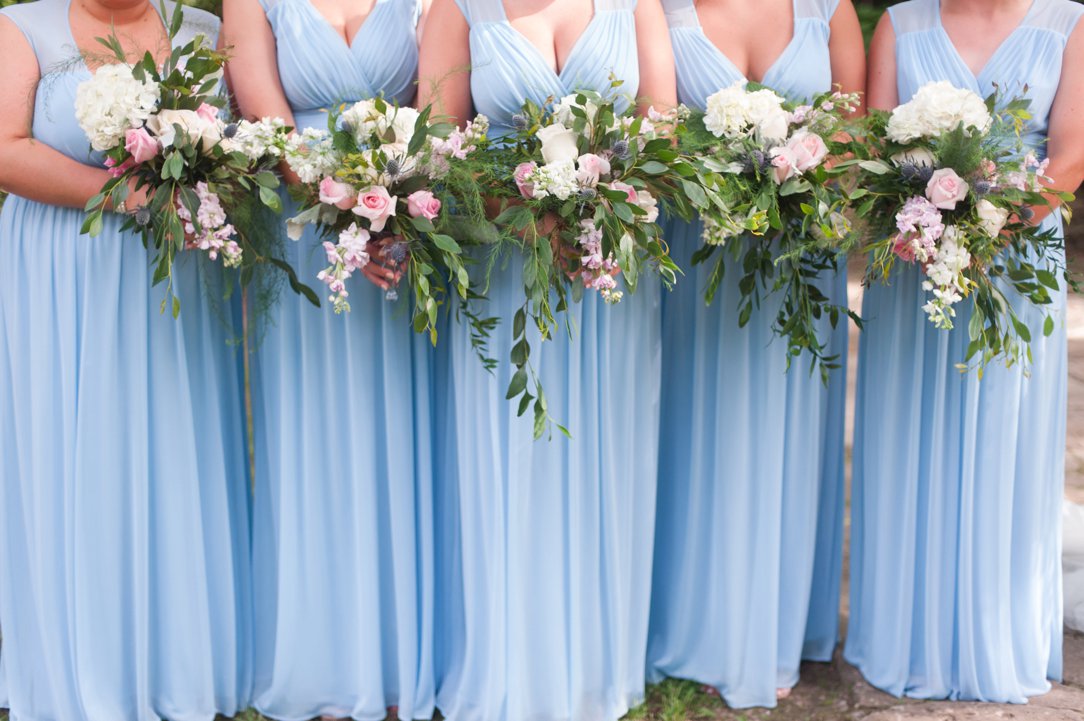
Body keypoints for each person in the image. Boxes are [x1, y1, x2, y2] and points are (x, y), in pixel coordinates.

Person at [416, 0, 676, 718]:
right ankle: (510, 662)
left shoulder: (636, 6)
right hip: (505, 264)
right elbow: (437, 149)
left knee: (606, 454)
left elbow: (663, 129)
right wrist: (531, 215)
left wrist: (601, 214)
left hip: (610, 271)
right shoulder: (456, 9)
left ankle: (596, 663)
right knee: (513, 454)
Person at [0, 0, 253, 718]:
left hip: (179, 282)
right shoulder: (22, 27)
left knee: (178, 452)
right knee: (77, 457)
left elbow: (236, 152)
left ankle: (179, 665)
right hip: (64, 274)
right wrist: (128, 197)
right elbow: (5, 149)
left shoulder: (202, 33)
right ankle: (81, 671)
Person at [848, 0, 1084, 701]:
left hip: (1017, 267)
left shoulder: (1069, 21)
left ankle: (992, 632)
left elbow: (1070, 157)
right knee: (910, 437)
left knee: (1000, 440)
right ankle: (906, 631)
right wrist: (923, 221)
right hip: (915, 260)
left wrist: (985, 221)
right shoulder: (898, 22)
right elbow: (871, 153)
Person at [645, 0, 865, 708]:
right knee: (693, 428)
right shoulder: (659, 8)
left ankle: (769, 624)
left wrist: (795, 173)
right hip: (697, 248)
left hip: (799, 252)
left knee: (784, 429)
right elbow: (651, 128)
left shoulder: (829, 10)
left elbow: (856, 131)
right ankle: (689, 624)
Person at [223, 0, 436, 717]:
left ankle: (410, 655)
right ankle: (326, 659)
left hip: (406, 223)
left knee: (409, 432)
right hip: (301, 229)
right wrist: (345, 214)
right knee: (314, 431)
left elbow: (436, 109)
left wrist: (396, 218)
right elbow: (267, 123)